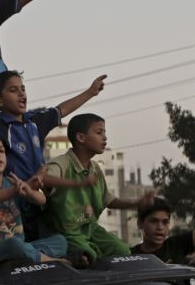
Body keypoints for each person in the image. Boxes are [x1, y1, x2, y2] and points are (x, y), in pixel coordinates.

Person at [0, 69, 106, 240]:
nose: (21, 94)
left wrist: (90, 92)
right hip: (15, 199)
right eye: (13, 90)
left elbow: (62, 110)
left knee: (54, 240)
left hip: (39, 196)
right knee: (20, 242)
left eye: (23, 89)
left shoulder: (35, 121)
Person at [42, 113, 152, 267]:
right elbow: (43, 178)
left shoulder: (95, 168)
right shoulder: (62, 163)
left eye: (105, 133)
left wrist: (136, 203)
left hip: (91, 228)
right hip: (66, 233)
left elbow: (108, 200)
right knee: (89, 257)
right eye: (99, 133)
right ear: (81, 138)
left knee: (123, 251)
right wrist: (77, 183)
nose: (105, 138)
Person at [0, 134, 67, 280]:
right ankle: (51, 262)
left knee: (60, 241)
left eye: (1, 151)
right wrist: (18, 188)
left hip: (17, 248)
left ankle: (20, 260)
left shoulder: (11, 183)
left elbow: (41, 201)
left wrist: (29, 190)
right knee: (14, 244)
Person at [130, 166, 195, 264]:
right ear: (140, 223)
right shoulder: (129, 256)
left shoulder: (177, 245)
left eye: (165, 222)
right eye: (154, 221)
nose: (160, 227)